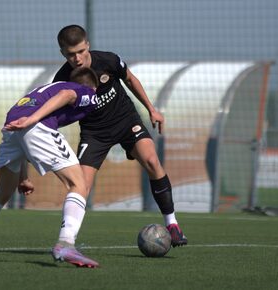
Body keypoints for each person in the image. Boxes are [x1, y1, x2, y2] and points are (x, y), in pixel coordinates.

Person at [53, 24, 187, 247]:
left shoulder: (108, 60)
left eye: (80, 51)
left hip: (126, 121)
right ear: (62, 53)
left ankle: (172, 224)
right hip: (94, 133)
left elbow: (131, 79)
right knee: (80, 185)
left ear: (87, 44)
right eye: (70, 54)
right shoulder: (62, 79)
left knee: (152, 160)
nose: (76, 58)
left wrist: (151, 109)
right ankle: (68, 241)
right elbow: (55, 112)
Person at [0, 67, 100, 268]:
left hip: (13, 122)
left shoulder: (42, 90)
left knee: (3, 191)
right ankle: (66, 244)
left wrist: (23, 176)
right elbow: (67, 95)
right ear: (91, 86)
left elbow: (23, 138)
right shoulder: (84, 91)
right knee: (78, 184)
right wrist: (33, 120)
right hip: (34, 124)